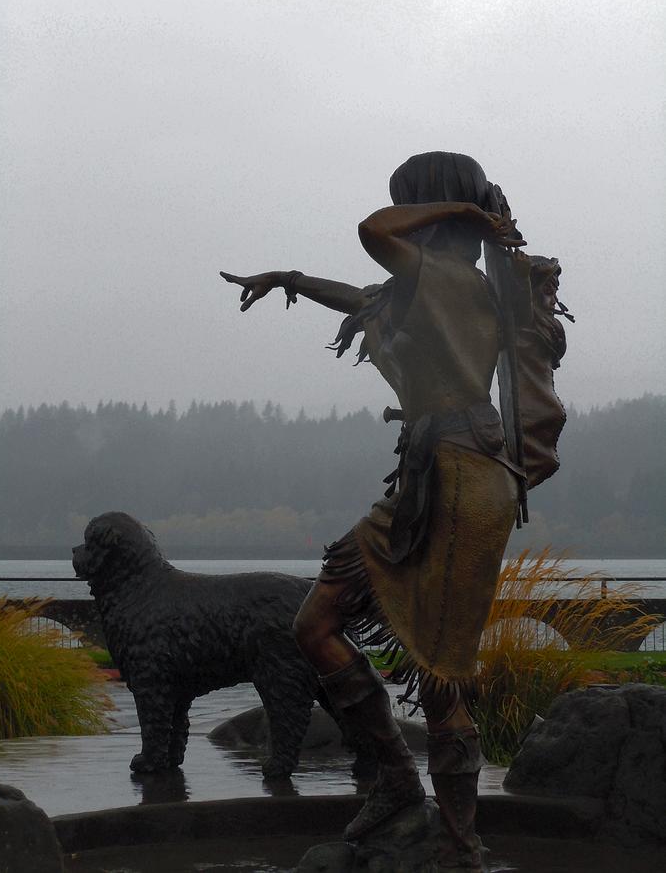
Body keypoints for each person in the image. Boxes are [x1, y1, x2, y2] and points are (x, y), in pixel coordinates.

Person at [222, 151, 527, 872]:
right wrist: (292, 280)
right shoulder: (417, 288)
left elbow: (373, 230)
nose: (404, 216)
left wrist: (464, 214)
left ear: (433, 207)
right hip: (424, 478)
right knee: (316, 623)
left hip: (465, 479)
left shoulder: (452, 279)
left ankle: (459, 846)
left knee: (441, 670)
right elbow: (364, 292)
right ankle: (394, 779)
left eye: (412, 201)